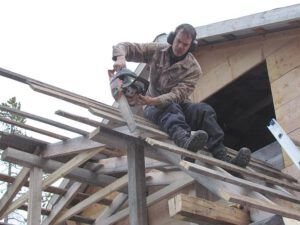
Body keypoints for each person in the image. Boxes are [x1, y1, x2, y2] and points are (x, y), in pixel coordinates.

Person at [112, 23, 251, 167]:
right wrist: (121, 57)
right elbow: (125, 46)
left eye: (185, 45)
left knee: (204, 110)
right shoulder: (157, 51)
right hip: (154, 109)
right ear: (172, 38)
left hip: (175, 103)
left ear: (191, 46)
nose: (180, 47)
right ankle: (184, 142)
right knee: (170, 108)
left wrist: (154, 100)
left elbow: (177, 95)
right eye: (178, 41)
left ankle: (222, 155)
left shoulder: (194, 69)